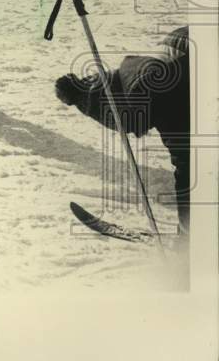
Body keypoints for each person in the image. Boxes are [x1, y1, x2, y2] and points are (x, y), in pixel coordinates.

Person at [55, 27, 190, 235]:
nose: (131, 132)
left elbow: (188, 166)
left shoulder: (149, 90)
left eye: (121, 124)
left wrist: (188, 233)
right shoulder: (135, 79)